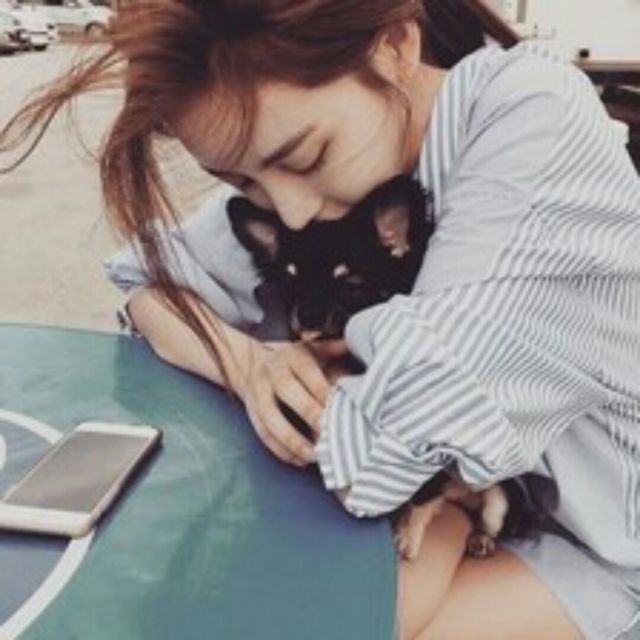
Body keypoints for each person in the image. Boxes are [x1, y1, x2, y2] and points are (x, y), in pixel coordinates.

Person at [2, 1, 639, 638]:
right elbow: (149, 284)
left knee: (300, 622)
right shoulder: (341, 169)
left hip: (599, 541)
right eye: (244, 183)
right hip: (464, 496)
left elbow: (377, 458)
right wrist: (247, 365)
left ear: (395, 46)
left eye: (305, 157)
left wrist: (308, 382)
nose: (291, 213)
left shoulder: (531, 128)